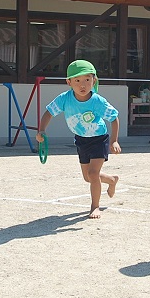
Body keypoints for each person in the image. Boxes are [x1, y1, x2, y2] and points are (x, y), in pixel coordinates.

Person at [36, 60, 121, 219]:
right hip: (81, 140)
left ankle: (95, 207)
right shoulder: (64, 99)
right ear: (69, 82)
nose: (83, 85)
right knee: (88, 177)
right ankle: (111, 180)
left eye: (87, 80)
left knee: (93, 173)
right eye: (77, 81)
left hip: (99, 139)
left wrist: (114, 141)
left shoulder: (97, 101)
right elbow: (48, 113)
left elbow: (114, 118)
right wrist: (41, 131)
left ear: (93, 80)